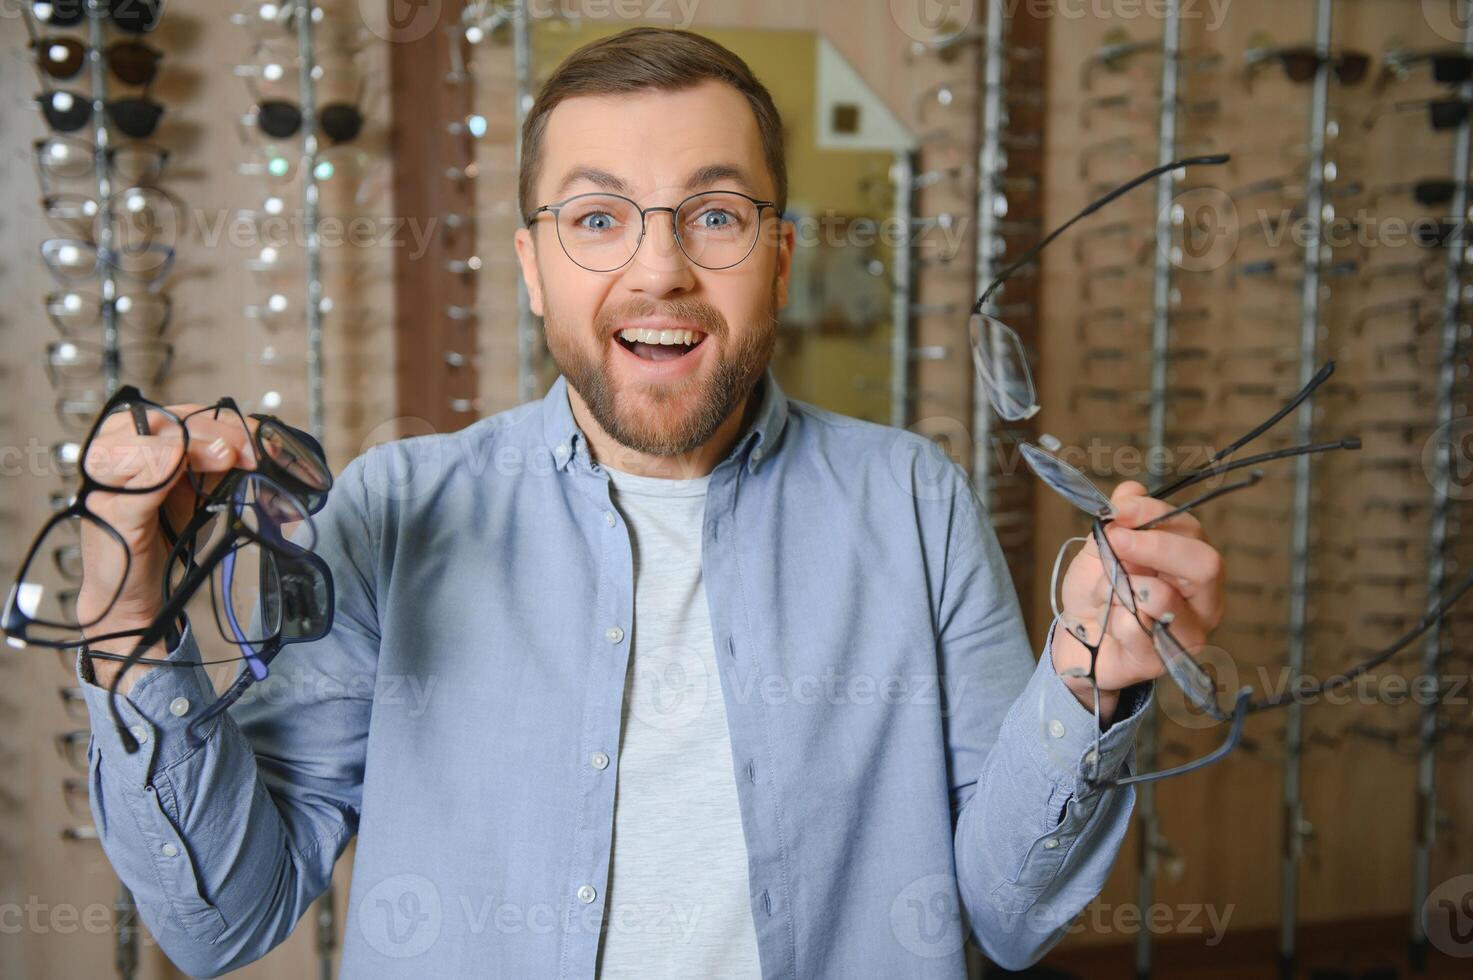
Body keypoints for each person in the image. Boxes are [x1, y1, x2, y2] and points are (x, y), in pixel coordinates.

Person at [75, 27, 1225, 979]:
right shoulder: (394, 511)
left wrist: (1088, 672)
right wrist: (130, 621)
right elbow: (225, 917)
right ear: (533, 267)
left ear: (778, 256)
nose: (660, 270)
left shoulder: (914, 502)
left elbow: (1011, 916)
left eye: (714, 216)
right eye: (597, 217)